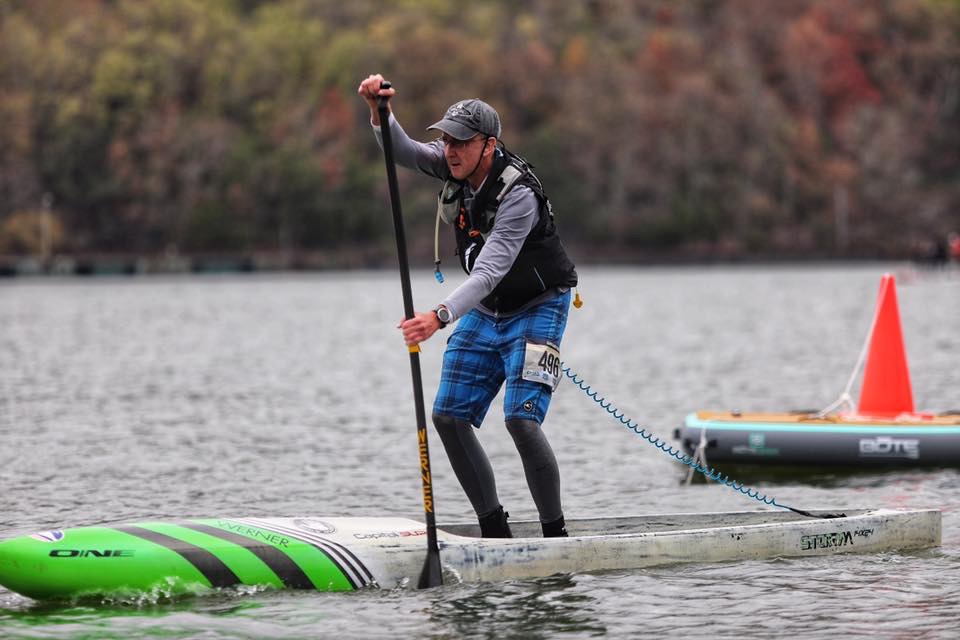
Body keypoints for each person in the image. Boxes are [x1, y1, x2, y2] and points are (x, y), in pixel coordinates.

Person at [358, 74, 578, 538]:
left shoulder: (518, 194)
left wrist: (437, 317)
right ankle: (494, 531)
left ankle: (555, 536)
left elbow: (489, 270)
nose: (450, 149)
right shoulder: (451, 165)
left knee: (520, 419)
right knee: (449, 416)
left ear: (489, 144)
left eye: (462, 141)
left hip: (540, 305)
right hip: (487, 308)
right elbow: (404, 151)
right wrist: (380, 112)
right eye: (446, 139)